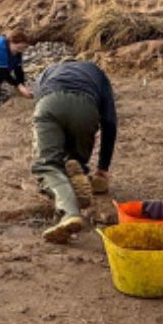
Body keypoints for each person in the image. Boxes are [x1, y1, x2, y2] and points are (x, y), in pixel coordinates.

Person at [29, 59, 118, 244]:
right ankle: (78, 172)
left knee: (48, 166)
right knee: (76, 159)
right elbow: (109, 121)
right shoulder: (96, 72)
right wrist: (103, 167)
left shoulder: (48, 71)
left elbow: (39, 103)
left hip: (50, 103)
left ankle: (69, 212)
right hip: (85, 107)